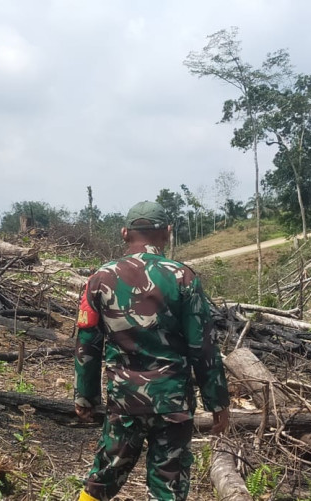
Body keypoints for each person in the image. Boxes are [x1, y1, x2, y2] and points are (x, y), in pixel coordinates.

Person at [74, 201, 230, 501]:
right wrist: (217, 401)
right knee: (168, 487)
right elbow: (203, 346)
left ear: (124, 234)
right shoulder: (183, 277)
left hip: (124, 400)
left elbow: (87, 344)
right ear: (167, 233)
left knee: (103, 477)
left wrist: (85, 396)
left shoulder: (99, 279)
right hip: (172, 401)